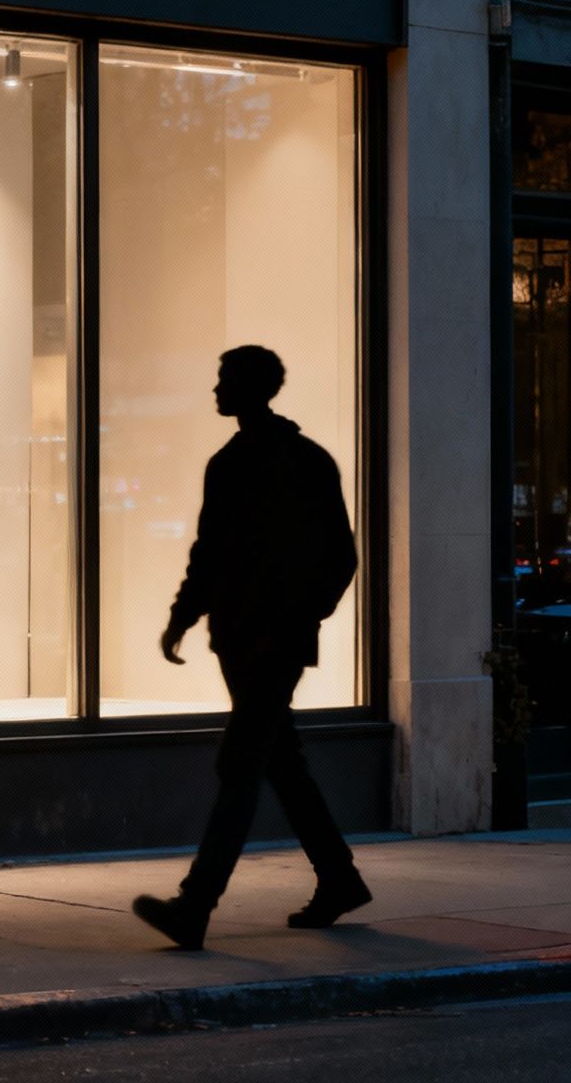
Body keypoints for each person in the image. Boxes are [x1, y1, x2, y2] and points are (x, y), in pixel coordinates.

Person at [132, 346, 369, 951]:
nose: (215, 388)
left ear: (248, 388)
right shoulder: (235, 461)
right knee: (279, 761)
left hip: (272, 643)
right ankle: (339, 879)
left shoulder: (296, 461)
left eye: (223, 380)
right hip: (242, 640)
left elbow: (339, 558)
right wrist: (184, 615)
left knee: (240, 765)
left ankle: (195, 905)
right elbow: (209, 554)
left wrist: (294, 618)